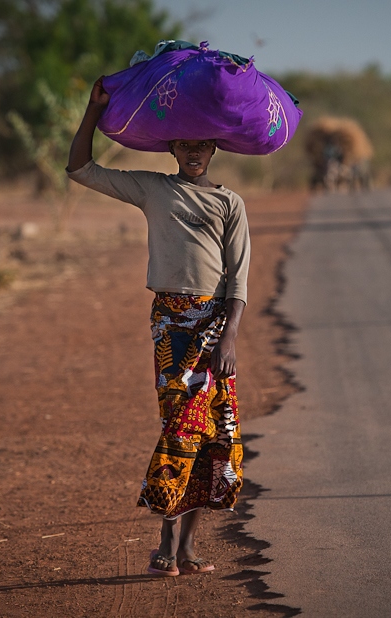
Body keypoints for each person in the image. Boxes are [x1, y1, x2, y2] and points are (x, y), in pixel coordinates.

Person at [66, 78, 249, 577]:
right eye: (186, 144)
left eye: (202, 145)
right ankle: (166, 539)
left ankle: (187, 547)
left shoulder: (230, 204)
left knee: (214, 435)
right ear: (173, 147)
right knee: (180, 427)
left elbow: (239, 280)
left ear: (214, 148)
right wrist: (91, 111)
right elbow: (80, 168)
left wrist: (229, 337)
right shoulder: (153, 188)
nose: (194, 152)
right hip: (172, 327)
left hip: (215, 328)